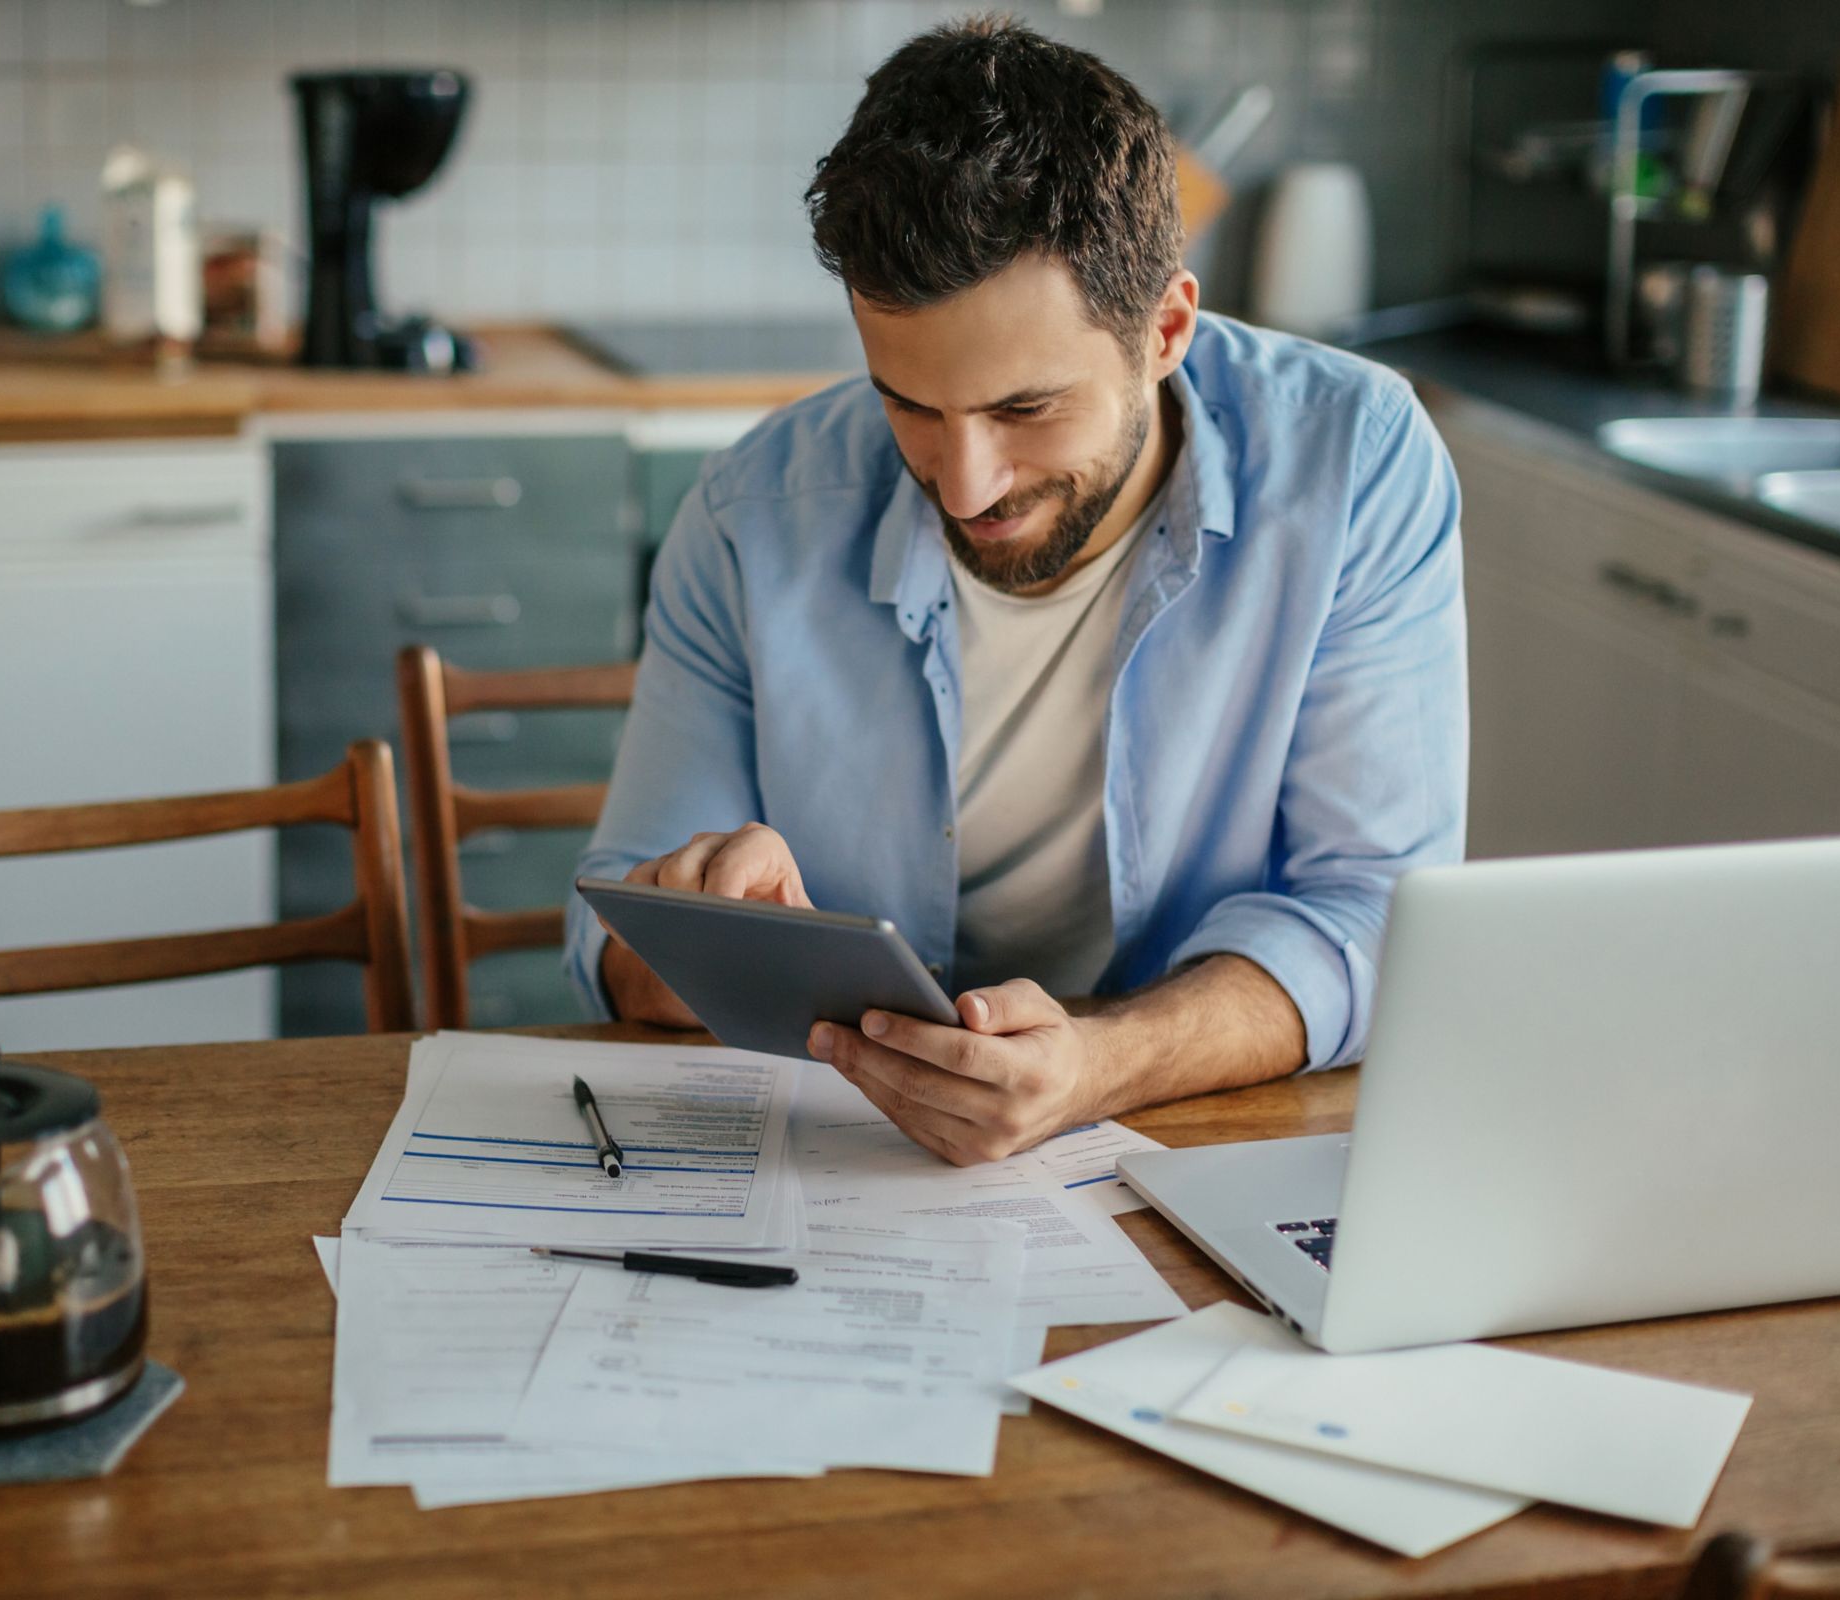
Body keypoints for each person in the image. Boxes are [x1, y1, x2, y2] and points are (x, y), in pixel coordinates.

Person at [564, 18, 1467, 1165]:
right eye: (909, 404)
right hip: (849, 1165)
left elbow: (1383, 921)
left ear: (1167, 330)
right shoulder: (753, 515)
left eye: (1024, 410)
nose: (964, 482)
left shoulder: (1355, 462)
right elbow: (610, 944)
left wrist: (1099, 1063)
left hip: (1194, 1140)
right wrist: (709, 931)